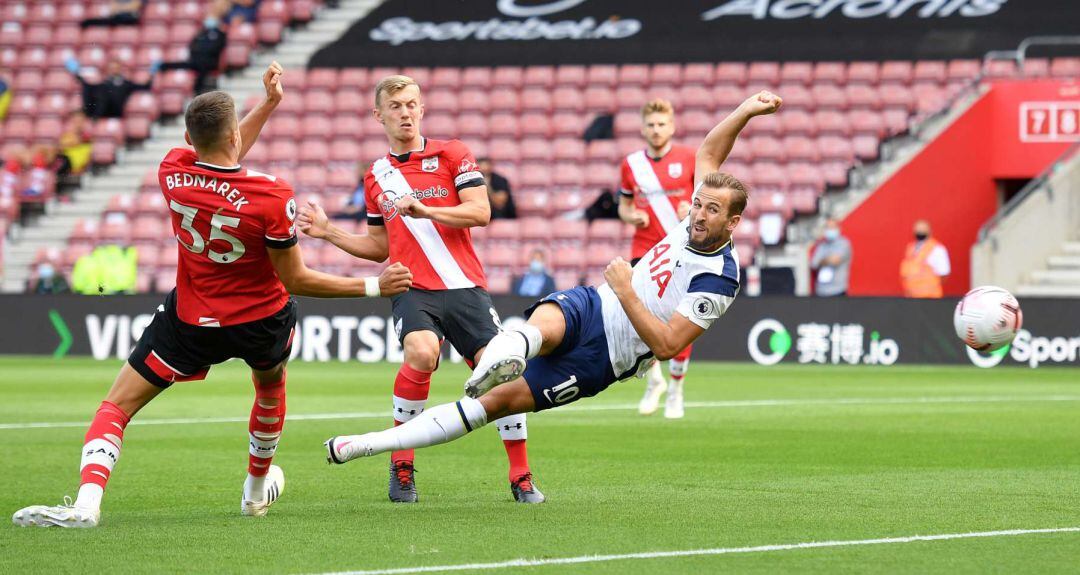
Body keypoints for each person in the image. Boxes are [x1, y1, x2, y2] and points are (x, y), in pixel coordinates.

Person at [12, 63, 413, 529]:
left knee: (116, 406)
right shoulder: (271, 195)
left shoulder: (172, 169)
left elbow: (220, 150)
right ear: (234, 138)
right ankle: (255, 491)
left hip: (190, 320)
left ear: (188, 135)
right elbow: (296, 280)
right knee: (269, 387)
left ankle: (86, 505)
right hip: (260, 319)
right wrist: (373, 286)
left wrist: (266, 105)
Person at [323, 92, 784, 481]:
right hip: (595, 303)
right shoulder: (695, 216)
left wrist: (626, 290)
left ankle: (368, 444)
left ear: (733, 222)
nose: (698, 215)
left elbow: (666, 345)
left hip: (608, 356)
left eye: (709, 211)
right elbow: (710, 151)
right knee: (543, 322)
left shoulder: (721, 278)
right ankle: (508, 352)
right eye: (697, 204)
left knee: (495, 404)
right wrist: (744, 110)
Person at [298, 74, 545, 504]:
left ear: (422, 108)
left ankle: (520, 475)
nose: (405, 112)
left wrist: (425, 209)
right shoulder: (376, 175)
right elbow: (380, 247)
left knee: (500, 369)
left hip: (465, 286)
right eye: (395, 106)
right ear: (379, 115)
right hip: (411, 287)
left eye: (412, 104)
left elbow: (481, 212)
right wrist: (327, 232)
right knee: (421, 353)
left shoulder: (453, 153)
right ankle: (402, 465)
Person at [618, 98, 696, 419]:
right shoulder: (631, 164)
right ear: (642, 128)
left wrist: (690, 208)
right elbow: (623, 206)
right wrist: (630, 215)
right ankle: (654, 380)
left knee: (680, 319)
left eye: (662, 124)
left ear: (672, 126)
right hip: (644, 250)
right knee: (642, 318)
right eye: (651, 124)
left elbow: (707, 201)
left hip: (680, 248)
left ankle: (676, 389)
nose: (656, 129)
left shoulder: (690, 159)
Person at [157, 15, 228, 95]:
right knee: (185, 64)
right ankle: (163, 66)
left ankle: (197, 90)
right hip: (196, 60)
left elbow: (217, 47)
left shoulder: (220, 34)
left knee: (202, 67)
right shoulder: (201, 33)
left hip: (210, 61)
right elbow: (192, 46)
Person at [66, 59, 157, 119]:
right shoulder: (104, 83)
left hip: (116, 113)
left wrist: (152, 73)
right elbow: (88, 86)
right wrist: (77, 74)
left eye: (116, 68)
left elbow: (145, 87)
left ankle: (93, 116)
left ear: (120, 68)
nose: (114, 70)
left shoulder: (126, 84)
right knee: (92, 91)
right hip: (103, 112)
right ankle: (91, 116)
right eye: (111, 68)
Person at [900, 219, 950, 298]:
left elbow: (944, 273)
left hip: (930, 298)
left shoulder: (937, 249)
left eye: (922, 229)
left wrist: (930, 286)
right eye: (918, 229)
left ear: (930, 231)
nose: (920, 232)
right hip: (911, 296)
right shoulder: (911, 248)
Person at [810, 218, 852, 297]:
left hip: (837, 290)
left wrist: (822, 261)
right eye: (828, 228)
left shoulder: (844, 244)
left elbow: (835, 261)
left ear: (838, 228)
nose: (830, 230)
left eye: (832, 228)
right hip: (821, 290)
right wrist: (827, 260)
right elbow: (813, 263)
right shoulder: (822, 245)